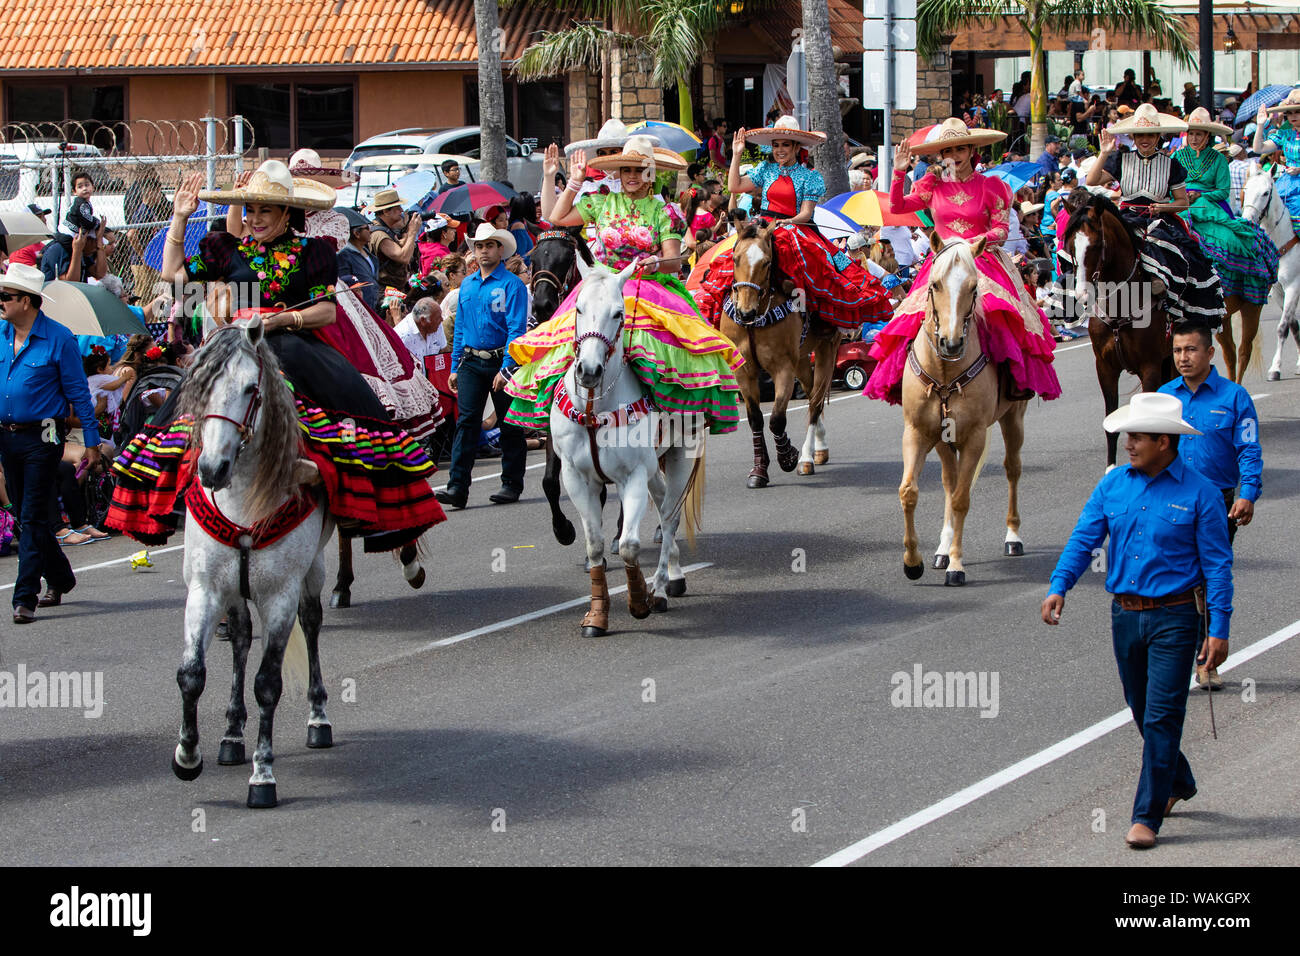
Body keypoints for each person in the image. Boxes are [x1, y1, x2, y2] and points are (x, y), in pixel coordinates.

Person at [106, 161, 444, 551]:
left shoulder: (312, 251)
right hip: (236, 342)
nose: (255, 218)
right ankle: (180, 491)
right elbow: (173, 274)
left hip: (290, 342)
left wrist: (280, 318)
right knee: (187, 397)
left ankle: (354, 500)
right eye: (250, 210)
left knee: (353, 400)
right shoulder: (228, 249)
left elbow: (327, 312)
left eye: (265, 209)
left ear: (287, 212)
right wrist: (180, 218)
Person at [1042, 391, 1232, 850]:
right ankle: (1178, 779)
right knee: (1143, 711)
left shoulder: (1201, 494)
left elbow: (1218, 566)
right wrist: (1058, 586)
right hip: (1125, 616)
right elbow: (1084, 538)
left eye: (1136, 437)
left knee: (1164, 717)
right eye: (1127, 436)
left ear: (1165, 443)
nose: (1127, 444)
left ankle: (1147, 815)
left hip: (1177, 618)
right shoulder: (1113, 485)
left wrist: (1219, 628)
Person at [505, 135, 742, 441]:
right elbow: (554, 217)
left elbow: (673, 261)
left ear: (649, 174)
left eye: (637, 169)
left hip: (647, 286)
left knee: (658, 348)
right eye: (625, 169)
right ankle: (560, 416)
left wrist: (655, 263)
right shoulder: (601, 201)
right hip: (602, 284)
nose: (631, 176)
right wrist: (561, 180)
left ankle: (667, 420)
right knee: (566, 343)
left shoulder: (663, 212)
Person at [867, 117, 1062, 405]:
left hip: (980, 258)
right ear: (941, 155)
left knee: (999, 313)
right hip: (943, 260)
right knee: (913, 320)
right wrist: (898, 172)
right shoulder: (931, 183)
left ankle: (1009, 382)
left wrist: (971, 244)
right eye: (948, 151)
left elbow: (1001, 229)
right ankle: (909, 382)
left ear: (972, 150)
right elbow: (897, 207)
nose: (953, 157)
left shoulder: (991, 186)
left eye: (960, 149)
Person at [696, 116, 893, 332]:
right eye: (776, 145)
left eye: (785, 145)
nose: (780, 150)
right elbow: (734, 185)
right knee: (737, 257)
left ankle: (806, 318)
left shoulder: (809, 176)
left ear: (796, 147)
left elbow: (806, 213)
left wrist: (785, 222)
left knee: (805, 265)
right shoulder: (765, 170)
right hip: (764, 225)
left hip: (794, 228)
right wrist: (737, 153)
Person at [1158, 321, 1262, 687]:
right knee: (1178, 580)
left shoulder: (1235, 398)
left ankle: (1207, 659)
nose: (1183, 358)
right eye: (1177, 351)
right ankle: (1172, 654)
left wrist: (1247, 492)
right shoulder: (1164, 397)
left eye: (1190, 350)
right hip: (1171, 502)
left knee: (1208, 576)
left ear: (1210, 353)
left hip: (1218, 504)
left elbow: (1249, 450)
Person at [0, 264, 101, 622]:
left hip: (44, 435)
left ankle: (23, 596)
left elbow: (79, 394)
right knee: (27, 514)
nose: (0, 302)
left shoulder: (59, 338)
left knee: (30, 516)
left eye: (6, 297)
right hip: (6, 435)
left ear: (27, 301)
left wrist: (91, 441)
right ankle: (60, 576)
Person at [1072, 104, 1225, 328]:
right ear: (1133, 136)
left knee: (1180, 254)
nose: (1145, 139)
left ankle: (1168, 296)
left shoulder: (1172, 164)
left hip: (1159, 220)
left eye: (1151, 135)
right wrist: (1104, 153)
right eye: (1141, 135)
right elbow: (1092, 181)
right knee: (1091, 244)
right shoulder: (1121, 160)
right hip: (1126, 218)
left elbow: (1182, 202)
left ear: (1158, 136)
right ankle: (1083, 290)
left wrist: (1163, 208)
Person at [434, 223, 529, 509]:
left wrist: (507, 367)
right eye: (479, 246)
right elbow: (459, 327)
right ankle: (457, 488)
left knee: (510, 422)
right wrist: (454, 366)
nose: (483, 251)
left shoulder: (512, 285)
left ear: (500, 249)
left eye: (489, 245)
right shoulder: (468, 285)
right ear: (473, 251)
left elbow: (517, 329)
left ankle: (511, 483)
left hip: (502, 359)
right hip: (471, 361)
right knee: (466, 421)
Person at [1175, 108, 1279, 310]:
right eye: (1191, 133)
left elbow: (1222, 191)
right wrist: (1179, 197)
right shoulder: (1177, 157)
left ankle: (1231, 290)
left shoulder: (1219, 160)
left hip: (1209, 205)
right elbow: (1171, 185)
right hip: (1180, 204)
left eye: (1199, 134)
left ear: (1207, 136)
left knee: (1231, 242)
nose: (1194, 138)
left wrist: (1201, 195)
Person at [1252, 89, 1300, 231]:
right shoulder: (1285, 134)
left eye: (1296, 111)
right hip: (1287, 183)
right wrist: (1260, 125)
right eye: (1289, 113)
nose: (1292, 116)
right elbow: (1258, 149)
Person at [368, 188, 422, 291]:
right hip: (385, 292)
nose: (401, 211)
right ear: (386, 212)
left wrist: (405, 231)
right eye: (398, 207)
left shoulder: (388, 230)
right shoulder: (379, 234)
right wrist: (412, 232)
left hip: (395, 289)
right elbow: (403, 257)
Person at [336, 207, 380, 311]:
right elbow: (345, 284)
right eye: (367, 228)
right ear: (356, 233)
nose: (371, 231)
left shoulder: (366, 251)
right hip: (359, 308)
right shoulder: (344, 254)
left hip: (372, 305)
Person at [395, 296, 448, 364]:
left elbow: (444, 352)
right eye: (438, 318)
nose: (442, 320)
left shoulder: (437, 325)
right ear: (423, 320)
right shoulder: (403, 337)